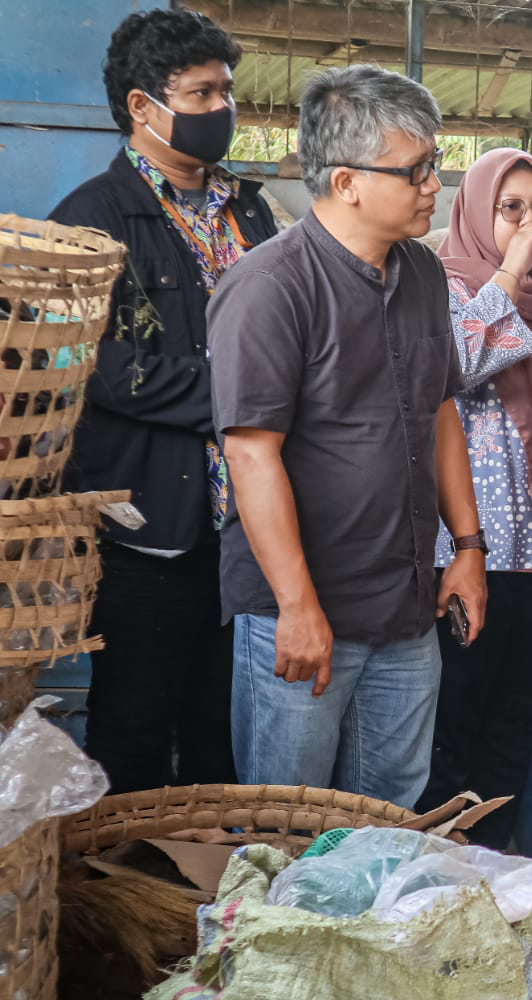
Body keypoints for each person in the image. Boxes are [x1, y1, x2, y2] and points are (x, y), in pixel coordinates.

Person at [208, 65, 487, 810]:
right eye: (416, 170)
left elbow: (440, 413)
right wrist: (296, 605)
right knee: (289, 825)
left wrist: (467, 548)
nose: (435, 184)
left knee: (391, 819)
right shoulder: (270, 287)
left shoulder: (423, 273)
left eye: (436, 164)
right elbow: (249, 452)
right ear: (345, 181)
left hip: (404, 609)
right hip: (304, 617)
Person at [46, 9, 275, 793]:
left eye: (226, 91)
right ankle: (123, 890)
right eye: (201, 92)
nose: (222, 109)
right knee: (137, 725)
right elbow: (87, 362)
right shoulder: (89, 221)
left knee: (228, 719)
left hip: (250, 520)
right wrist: (234, 395)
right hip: (151, 523)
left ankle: (211, 890)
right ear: (143, 107)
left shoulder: (249, 210)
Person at [409, 148, 532, 847]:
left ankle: (490, 874)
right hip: (467, 554)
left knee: (513, 727)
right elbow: (457, 368)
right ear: (477, 216)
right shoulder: (440, 291)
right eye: (512, 208)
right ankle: (433, 878)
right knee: (450, 725)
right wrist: (511, 271)